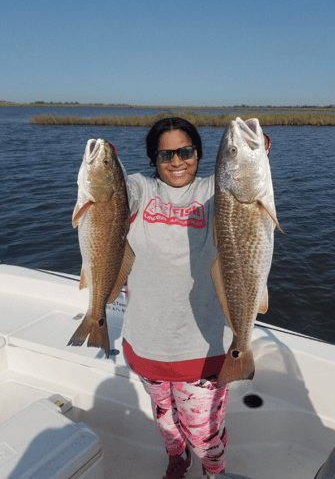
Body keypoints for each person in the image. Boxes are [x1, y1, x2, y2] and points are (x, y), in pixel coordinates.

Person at [121, 117, 271, 479]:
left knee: (204, 432)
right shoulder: (141, 188)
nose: (176, 161)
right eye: (165, 154)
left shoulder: (215, 191)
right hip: (145, 343)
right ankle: (176, 459)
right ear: (153, 159)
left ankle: (212, 470)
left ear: (199, 154)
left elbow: (248, 164)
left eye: (185, 151)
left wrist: (252, 147)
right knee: (166, 420)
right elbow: (112, 191)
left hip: (203, 350)